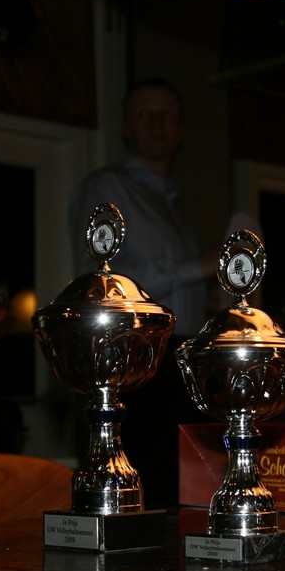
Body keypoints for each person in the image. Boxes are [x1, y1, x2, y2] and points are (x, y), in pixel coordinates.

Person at [68, 78, 216, 507]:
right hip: (134, 361)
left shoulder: (171, 208)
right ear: (126, 128)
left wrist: (211, 301)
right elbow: (96, 278)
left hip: (179, 362)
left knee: (176, 494)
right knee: (139, 494)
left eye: (166, 114)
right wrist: (197, 267)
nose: (156, 123)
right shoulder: (106, 186)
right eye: (144, 113)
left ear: (180, 130)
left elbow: (173, 292)